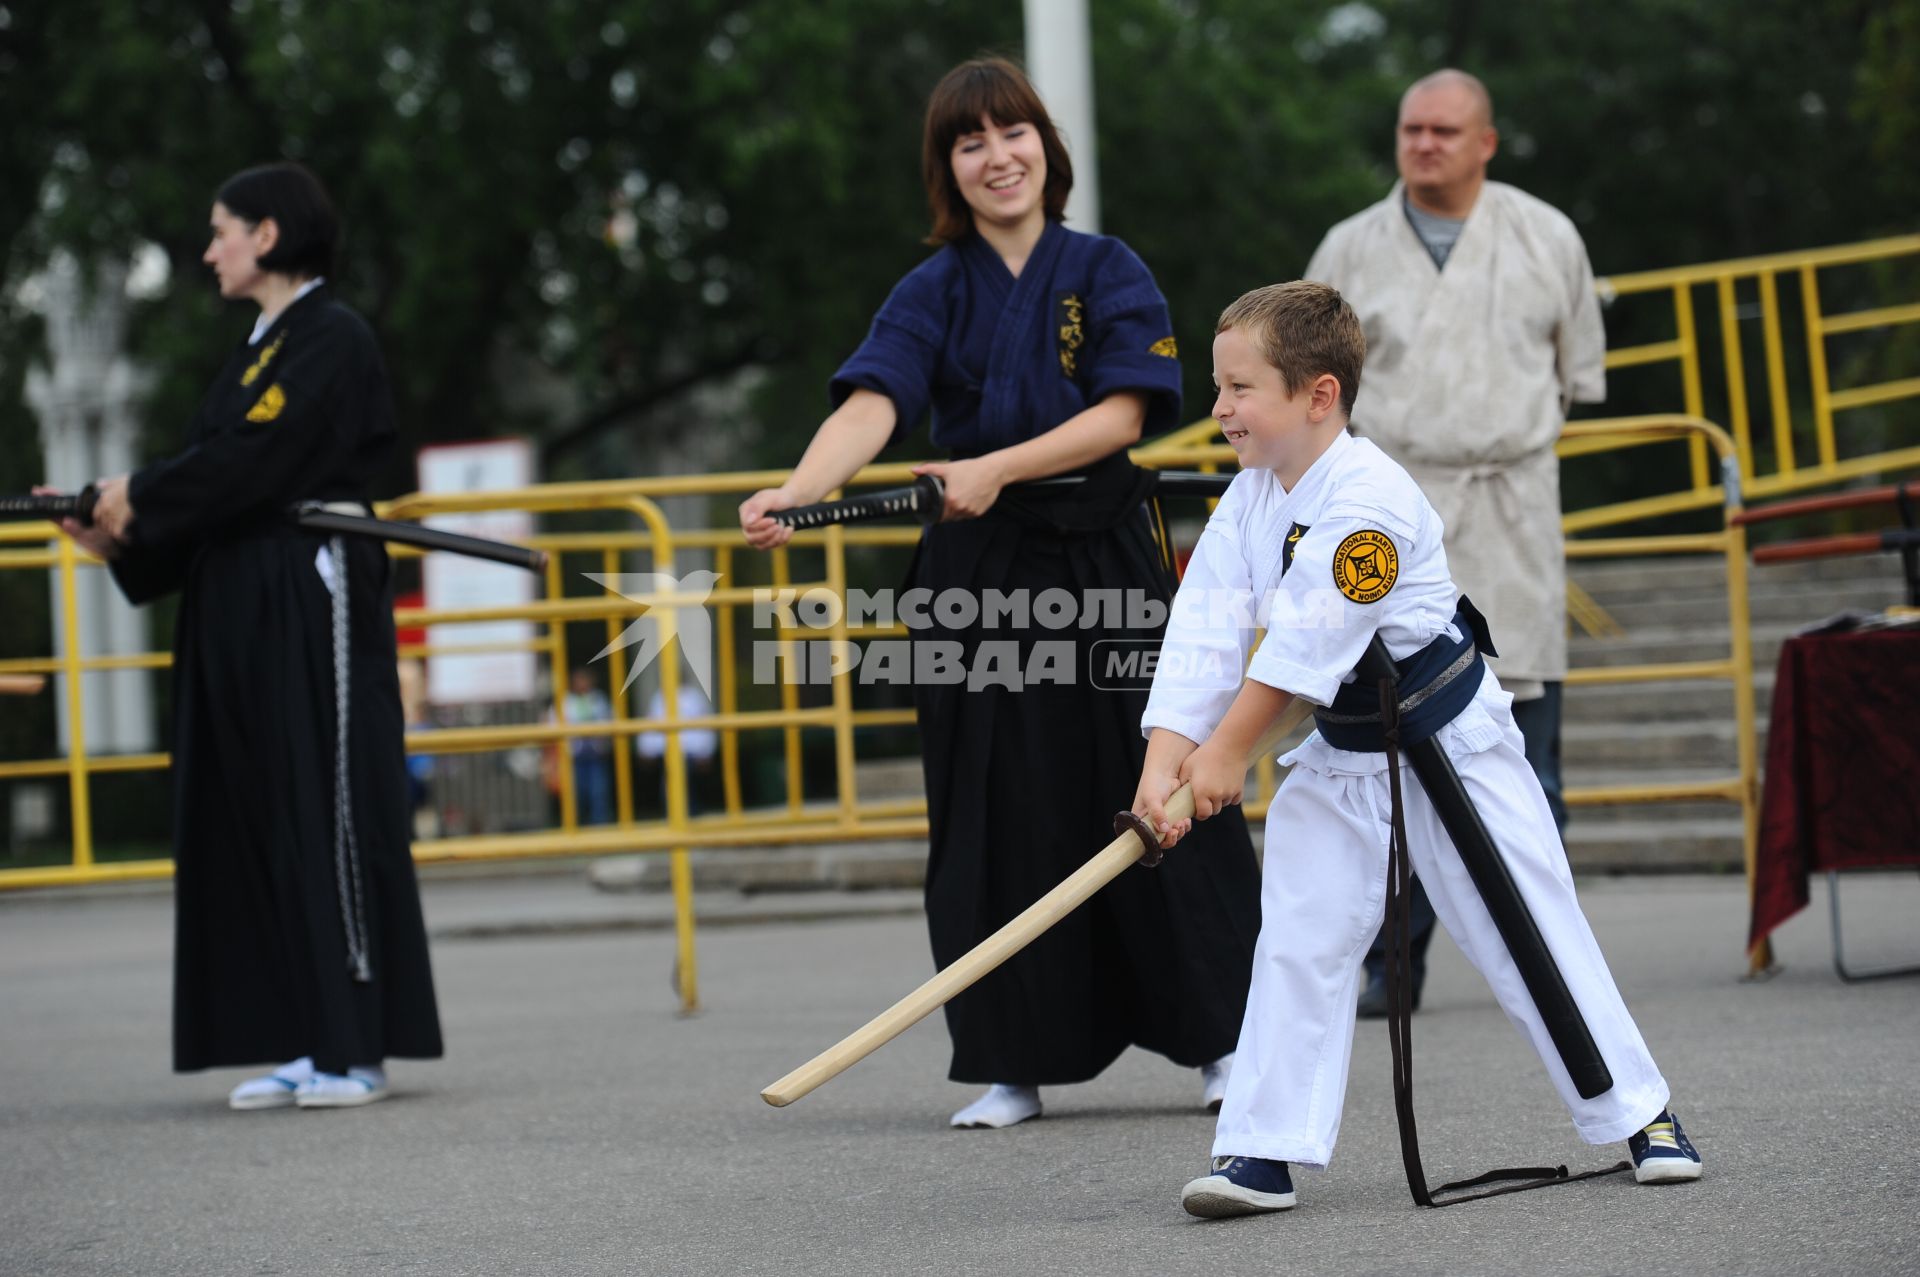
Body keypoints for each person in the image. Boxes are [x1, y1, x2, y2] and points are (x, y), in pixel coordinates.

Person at [740, 57, 1261, 1129]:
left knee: (1159, 780)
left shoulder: (1106, 265)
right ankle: (1010, 1059)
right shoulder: (929, 288)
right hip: (975, 576)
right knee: (990, 805)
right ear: (948, 168)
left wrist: (996, 466)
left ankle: (1227, 1037)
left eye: (1011, 132)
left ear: (1044, 147)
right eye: (969, 142)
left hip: (1104, 557)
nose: (996, 156)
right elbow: (872, 403)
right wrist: (797, 492)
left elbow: (1128, 412)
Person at [1132, 281, 1699, 1218]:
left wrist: (1227, 752)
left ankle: (1644, 1115)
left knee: (1526, 924)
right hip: (1345, 752)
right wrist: (1165, 762)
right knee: (1300, 938)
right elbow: (1203, 634)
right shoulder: (1246, 502)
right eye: (1220, 388)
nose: (1220, 408)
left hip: (1450, 743)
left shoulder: (1372, 500)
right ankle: (1261, 1152)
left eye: (1240, 389)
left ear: (1319, 395)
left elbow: (1305, 644)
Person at [46, 162, 442, 1110]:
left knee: (326, 805)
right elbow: (212, 483)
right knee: (257, 811)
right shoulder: (253, 349)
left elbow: (255, 460)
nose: (208, 249)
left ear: (268, 235)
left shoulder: (331, 336)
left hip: (309, 593)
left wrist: (140, 494)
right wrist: (120, 538)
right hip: (237, 598)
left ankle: (357, 1046)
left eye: (222, 230)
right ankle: (303, 1037)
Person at [1304, 69, 1605, 1016]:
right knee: (1389, 748)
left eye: (1444, 130)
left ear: (1486, 142)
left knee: (1528, 752)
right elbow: (1311, 393)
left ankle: (1549, 960)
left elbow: (1574, 373)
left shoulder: (1545, 233)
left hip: (1509, 499)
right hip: (1390, 510)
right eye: (1410, 129)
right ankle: (1394, 966)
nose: (1424, 143)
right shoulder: (1350, 245)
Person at [564, 667, 615, 826]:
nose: (582, 684)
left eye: (584, 680)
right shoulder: (566, 701)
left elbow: (610, 720)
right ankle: (576, 826)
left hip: (595, 753)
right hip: (574, 755)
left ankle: (599, 825)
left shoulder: (599, 699)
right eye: (579, 680)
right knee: (576, 793)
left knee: (598, 792)